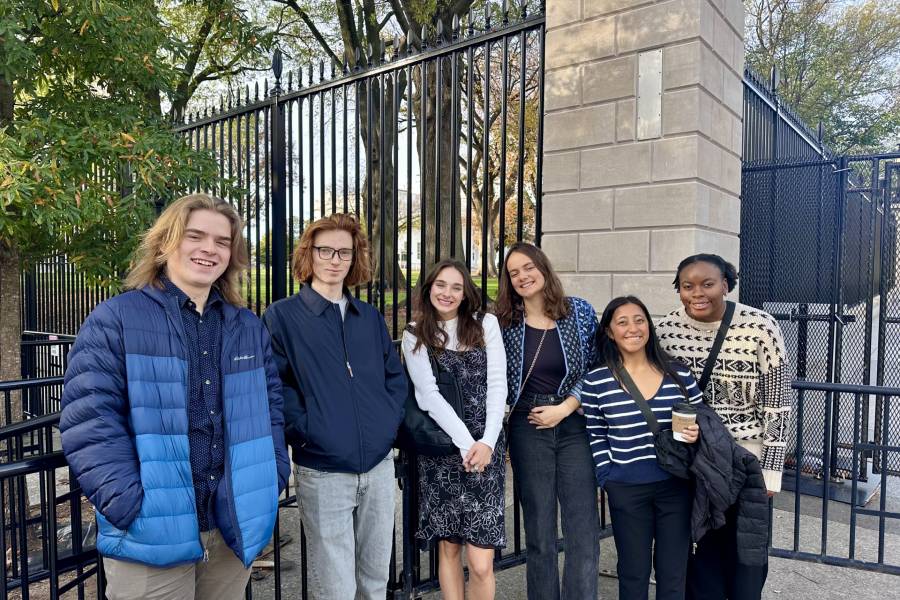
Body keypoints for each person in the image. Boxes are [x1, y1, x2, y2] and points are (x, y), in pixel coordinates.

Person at [59, 193, 291, 600]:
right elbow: (90, 423)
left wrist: (270, 480)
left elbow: (270, 409)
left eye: (222, 241)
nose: (209, 249)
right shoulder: (117, 319)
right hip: (150, 531)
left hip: (230, 527)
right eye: (195, 236)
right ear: (166, 242)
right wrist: (130, 505)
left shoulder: (247, 327)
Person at [261, 213, 407, 600]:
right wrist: (310, 430)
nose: (334, 259)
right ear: (309, 255)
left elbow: (394, 378)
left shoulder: (369, 318)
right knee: (336, 589)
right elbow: (277, 386)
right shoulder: (282, 317)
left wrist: (385, 427)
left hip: (378, 467)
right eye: (325, 250)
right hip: (324, 470)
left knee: (375, 582)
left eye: (344, 252)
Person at [657, 253, 791, 600]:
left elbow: (777, 404)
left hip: (744, 460)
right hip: (694, 460)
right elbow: (660, 394)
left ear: (726, 286)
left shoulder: (761, 327)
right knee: (701, 549)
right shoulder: (667, 330)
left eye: (707, 284)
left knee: (746, 551)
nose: (697, 293)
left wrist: (771, 471)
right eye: (687, 286)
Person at [492, 241, 601, 600]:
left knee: (582, 528)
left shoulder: (579, 313)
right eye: (513, 273)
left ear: (543, 268)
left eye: (528, 268)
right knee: (539, 532)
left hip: (574, 423)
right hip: (528, 425)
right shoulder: (504, 323)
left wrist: (568, 405)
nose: (522, 276)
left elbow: (598, 368)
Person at [582, 296, 703, 600]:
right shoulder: (597, 380)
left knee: (672, 572)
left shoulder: (678, 373)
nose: (633, 328)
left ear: (648, 325)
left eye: (639, 319)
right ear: (610, 332)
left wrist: (694, 433)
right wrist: (606, 476)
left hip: (676, 485)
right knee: (633, 573)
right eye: (622, 322)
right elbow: (596, 433)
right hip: (626, 487)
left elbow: (704, 421)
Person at [401, 259, 507, 600]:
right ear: (429, 287)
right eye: (441, 285)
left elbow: (498, 384)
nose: (447, 293)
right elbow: (428, 396)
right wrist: (465, 444)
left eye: (456, 287)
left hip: (486, 449)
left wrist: (487, 442)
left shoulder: (484, 324)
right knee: (448, 547)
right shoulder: (415, 334)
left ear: (465, 293)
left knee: (480, 562)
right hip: (444, 451)